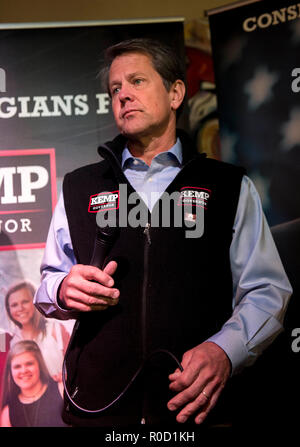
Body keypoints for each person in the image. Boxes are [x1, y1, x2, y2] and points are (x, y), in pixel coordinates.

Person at [34, 38, 292, 427]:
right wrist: (62, 289)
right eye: (116, 89)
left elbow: (267, 290)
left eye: (137, 81)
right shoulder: (79, 186)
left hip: (193, 407)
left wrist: (225, 351)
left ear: (175, 93)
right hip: (100, 410)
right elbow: (48, 283)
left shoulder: (227, 186)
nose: (123, 96)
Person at [5, 281, 70, 382]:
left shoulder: (55, 329)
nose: (20, 308)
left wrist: (66, 376)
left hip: (65, 391)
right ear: (9, 310)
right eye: (14, 305)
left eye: (25, 301)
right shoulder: (11, 342)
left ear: (34, 301)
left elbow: (78, 363)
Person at [0, 340, 68, 427]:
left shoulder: (61, 390)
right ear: (10, 371)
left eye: (29, 364)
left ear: (39, 365)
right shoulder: (7, 414)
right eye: (17, 366)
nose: (24, 370)